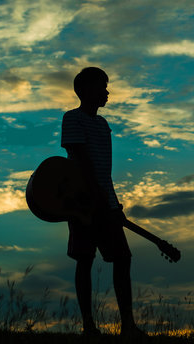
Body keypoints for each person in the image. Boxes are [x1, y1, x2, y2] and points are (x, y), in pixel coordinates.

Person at [61, 67, 147, 340]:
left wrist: (113, 203)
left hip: (105, 202)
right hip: (82, 204)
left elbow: (103, 171)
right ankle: (88, 326)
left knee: (122, 258)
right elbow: (82, 163)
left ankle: (128, 326)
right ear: (85, 90)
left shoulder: (102, 125)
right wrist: (98, 200)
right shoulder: (72, 119)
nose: (107, 92)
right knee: (84, 260)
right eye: (102, 86)